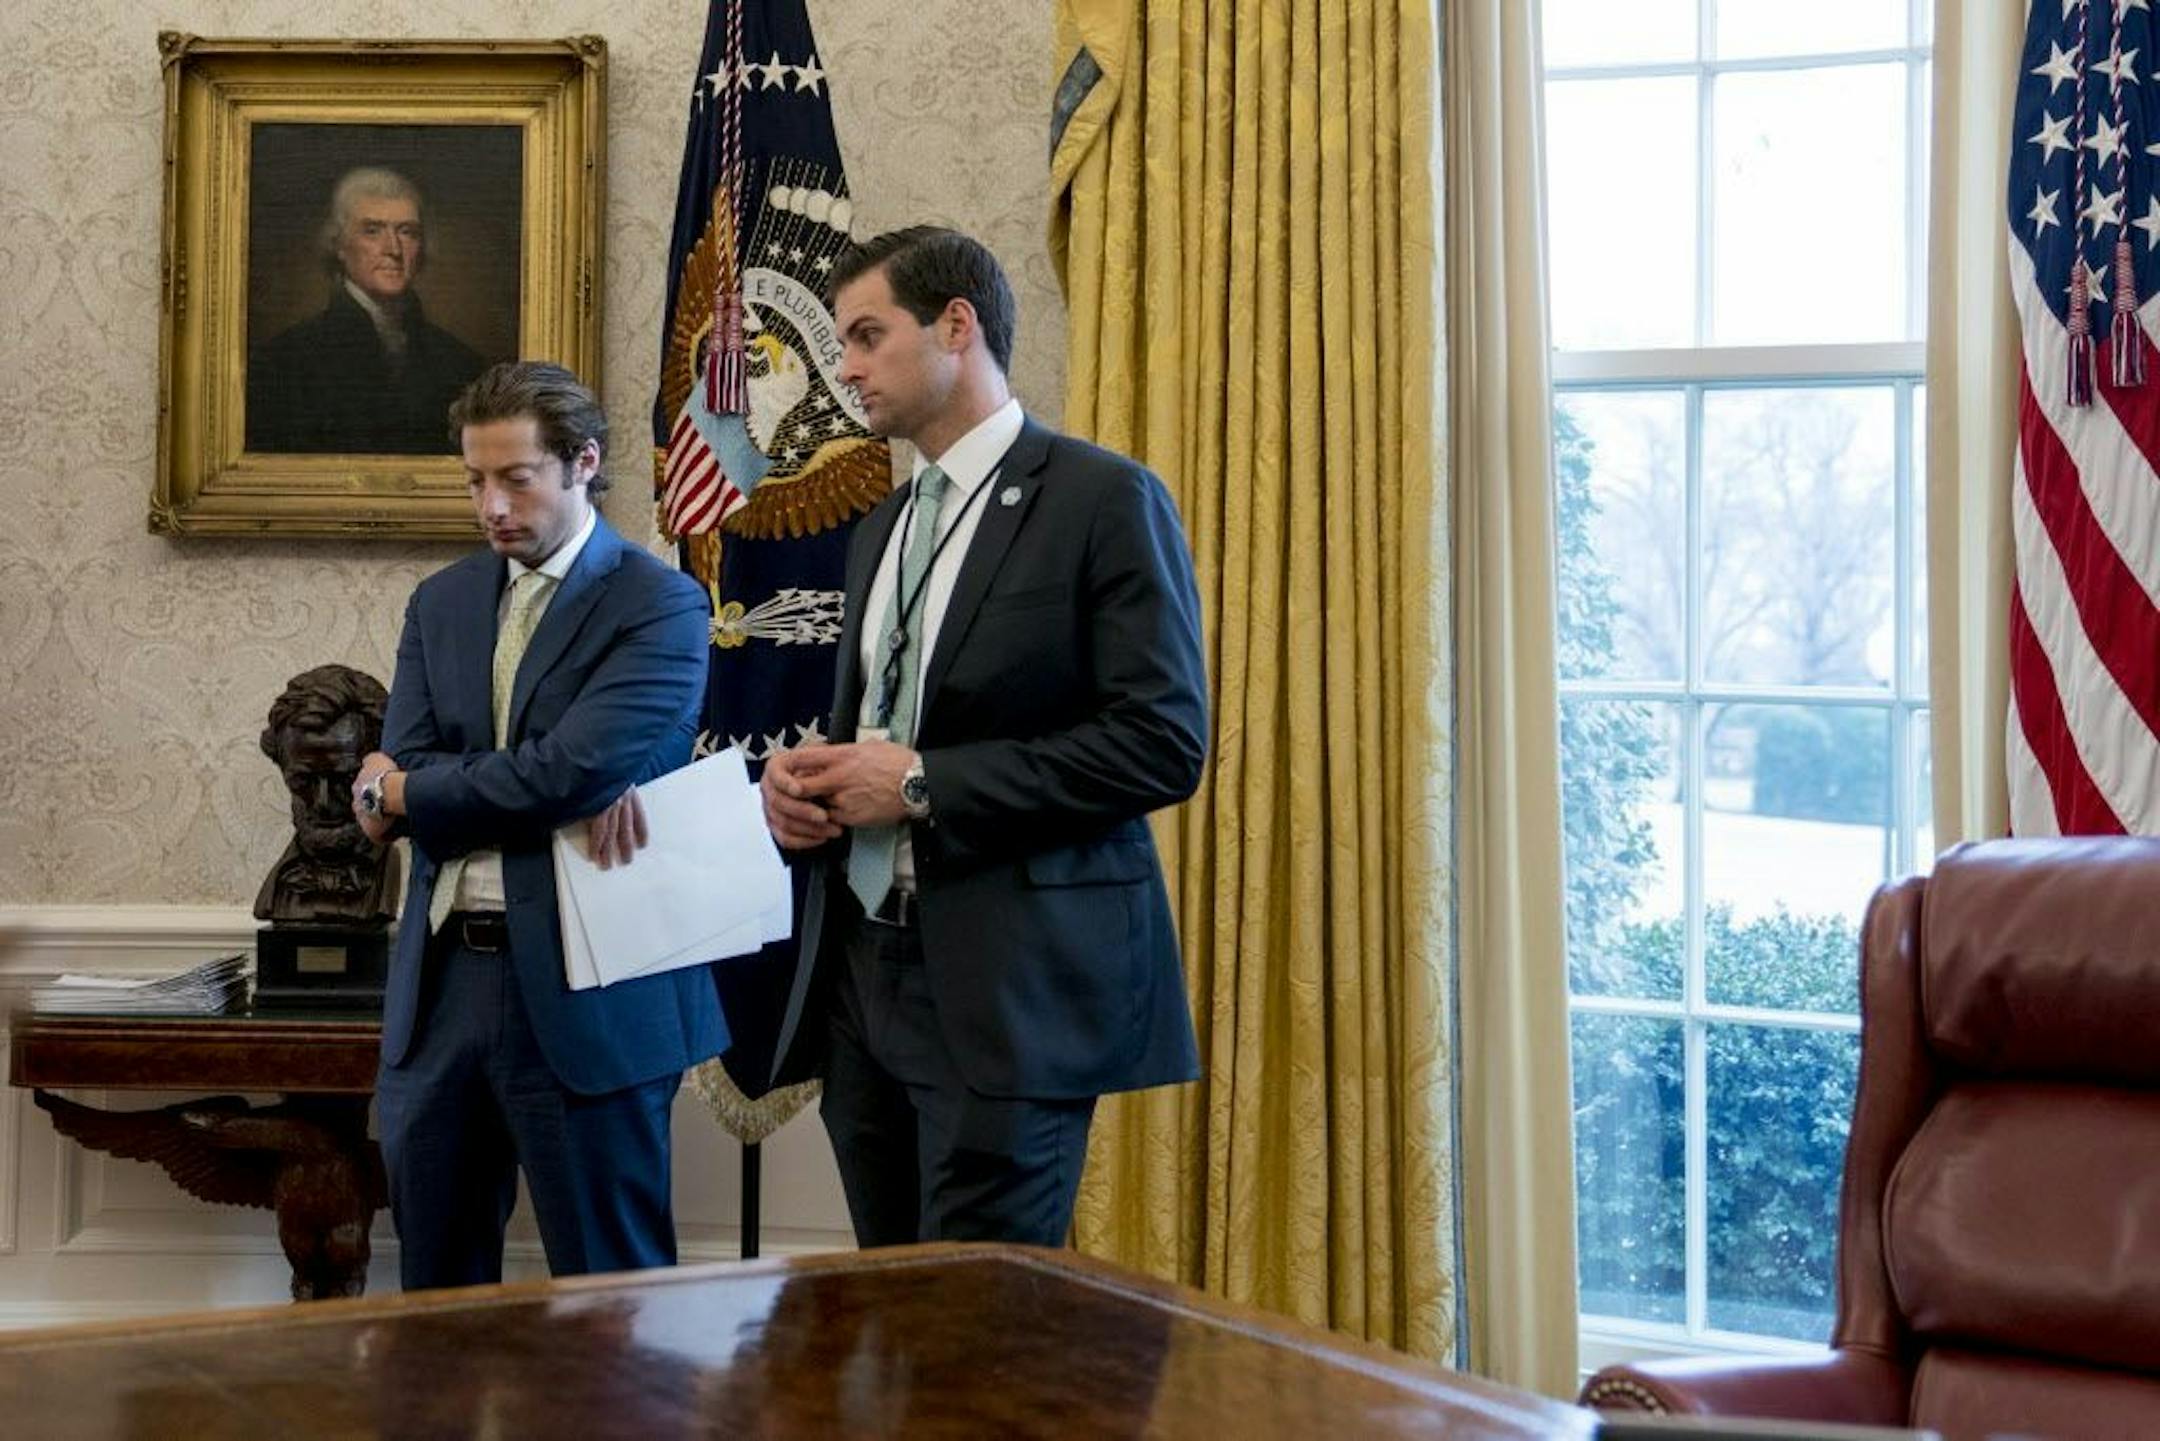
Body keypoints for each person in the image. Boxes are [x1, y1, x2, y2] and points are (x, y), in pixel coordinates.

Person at [759, 227, 1209, 1247]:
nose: (847, 368)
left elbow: (1162, 741)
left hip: (1011, 993)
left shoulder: (1102, 499)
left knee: (983, 1348)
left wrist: (923, 786)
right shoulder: (881, 525)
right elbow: (881, 729)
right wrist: (807, 788)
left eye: (868, 335)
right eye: (841, 343)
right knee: (895, 1323)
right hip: (861, 981)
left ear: (956, 326)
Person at [349, 360, 726, 1290]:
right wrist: (479, 784)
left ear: (582, 463)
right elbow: (427, 757)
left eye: (516, 476)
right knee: (434, 1303)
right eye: (475, 479)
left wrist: (409, 792)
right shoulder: (440, 602)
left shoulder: (660, 601)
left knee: (616, 1307)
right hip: (440, 992)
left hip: (587, 987)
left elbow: (564, 771)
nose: (491, 505)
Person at [247, 166, 488, 455]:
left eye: (407, 232)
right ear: (338, 245)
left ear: (421, 246)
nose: (393, 249)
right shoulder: (283, 362)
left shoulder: (463, 365)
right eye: (372, 231)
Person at [254, 662, 399, 926]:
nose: (323, 803)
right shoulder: (277, 889)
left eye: (345, 780)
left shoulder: (387, 871)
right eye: (303, 781)